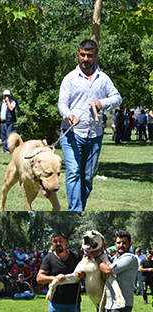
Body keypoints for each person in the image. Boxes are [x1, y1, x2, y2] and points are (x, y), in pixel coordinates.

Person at [58, 39, 122, 211]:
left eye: (89, 56)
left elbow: (117, 97)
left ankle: (78, 208)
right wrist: (69, 115)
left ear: (96, 56)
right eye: (82, 55)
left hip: (95, 135)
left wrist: (102, 102)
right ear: (78, 54)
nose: (85, 59)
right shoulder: (69, 79)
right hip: (71, 133)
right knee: (73, 173)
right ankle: (75, 211)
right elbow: (62, 104)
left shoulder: (103, 79)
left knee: (87, 178)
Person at [91, 231, 139, 312]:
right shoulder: (113, 259)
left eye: (124, 243)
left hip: (121, 305)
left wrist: (95, 257)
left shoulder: (130, 258)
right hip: (108, 304)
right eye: (119, 243)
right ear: (115, 244)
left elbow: (108, 270)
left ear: (130, 244)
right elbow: (104, 271)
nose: (121, 245)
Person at [37, 231, 84, 312]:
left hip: (74, 302)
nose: (58, 243)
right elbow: (39, 278)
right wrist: (55, 278)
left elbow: (86, 272)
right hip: (56, 302)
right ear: (51, 244)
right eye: (55, 241)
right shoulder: (49, 258)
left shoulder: (76, 256)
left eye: (60, 240)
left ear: (65, 241)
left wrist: (82, 274)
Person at [0, 90, 16, 154]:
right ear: (3, 95)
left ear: (9, 96)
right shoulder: (2, 103)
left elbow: (11, 108)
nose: (6, 97)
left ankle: (9, 150)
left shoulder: (12, 102)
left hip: (9, 122)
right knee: (3, 136)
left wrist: (8, 102)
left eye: (7, 95)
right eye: (5, 95)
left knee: (8, 136)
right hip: (2, 122)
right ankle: (4, 149)